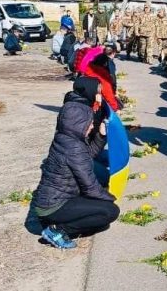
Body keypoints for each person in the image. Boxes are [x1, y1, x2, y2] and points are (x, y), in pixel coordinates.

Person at [33, 78, 120, 249]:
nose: (91, 126)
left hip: (53, 201)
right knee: (109, 211)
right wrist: (112, 197)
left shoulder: (67, 138)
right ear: (78, 124)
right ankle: (58, 230)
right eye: (89, 123)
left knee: (100, 198)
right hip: (53, 207)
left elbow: (88, 157)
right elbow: (90, 187)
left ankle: (59, 223)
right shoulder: (74, 146)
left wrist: (101, 135)